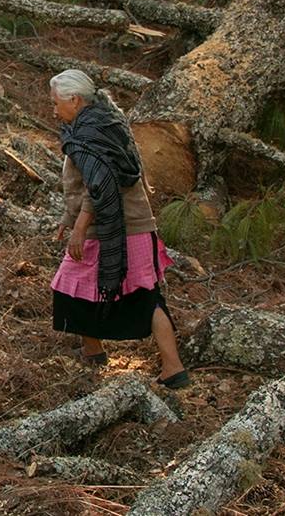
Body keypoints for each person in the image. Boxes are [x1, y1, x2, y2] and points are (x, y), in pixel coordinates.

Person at [49, 69, 189, 388]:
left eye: (56, 103)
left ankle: (172, 368)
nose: (54, 110)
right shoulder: (98, 124)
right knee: (76, 286)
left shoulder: (92, 131)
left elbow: (99, 186)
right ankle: (94, 351)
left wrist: (79, 228)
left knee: (141, 296)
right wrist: (68, 219)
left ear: (75, 100)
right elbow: (84, 185)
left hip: (122, 227)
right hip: (117, 225)